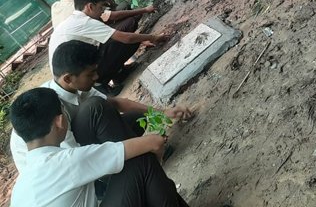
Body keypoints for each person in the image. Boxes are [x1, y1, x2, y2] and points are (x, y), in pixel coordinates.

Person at [10, 40, 193, 171]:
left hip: (76, 144)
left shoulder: (73, 86)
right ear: (68, 78)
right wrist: (143, 146)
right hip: (60, 167)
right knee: (94, 107)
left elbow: (115, 102)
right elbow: (76, 157)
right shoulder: (54, 112)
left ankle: (139, 160)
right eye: (90, 74)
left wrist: (162, 113)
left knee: (135, 116)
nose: (97, 77)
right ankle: (139, 166)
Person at [10, 87, 189, 207]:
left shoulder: (20, 188)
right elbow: (154, 143)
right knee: (141, 160)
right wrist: (155, 166)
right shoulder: (67, 161)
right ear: (60, 121)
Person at [48, 0, 168, 95]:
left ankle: (117, 74)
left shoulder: (74, 19)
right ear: (90, 6)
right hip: (76, 74)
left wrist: (143, 39)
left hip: (72, 69)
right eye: (101, 7)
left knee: (122, 39)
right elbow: (127, 38)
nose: (102, 11)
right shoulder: (84, 22)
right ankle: (100, 84)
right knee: (130, 41)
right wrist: (154, 37)